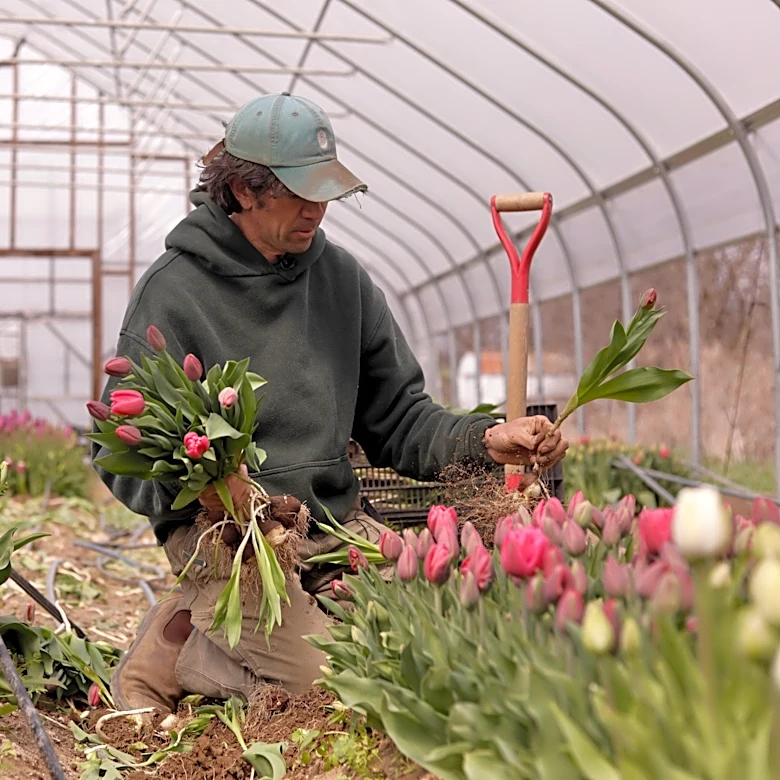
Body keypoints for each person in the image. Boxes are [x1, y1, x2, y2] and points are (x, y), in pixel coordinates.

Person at [92, 92, 569, 714]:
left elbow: (400, 420)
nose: (317, 208)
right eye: (298, 193)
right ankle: (181, 645)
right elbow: (118, 447)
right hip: (233, 541)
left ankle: (264, 626)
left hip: (335, 528)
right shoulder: (175, 293)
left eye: (324, 192)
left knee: (421, 650)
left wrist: (485, 439)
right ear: (240, 191)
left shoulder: (343, 282)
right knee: (336, 683)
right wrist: (206, 490)